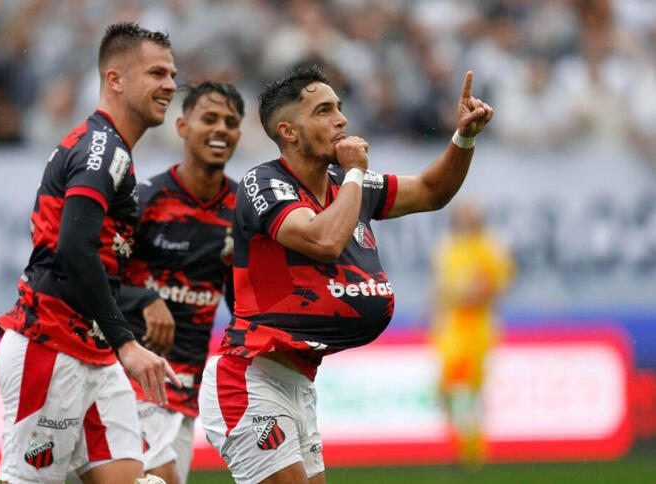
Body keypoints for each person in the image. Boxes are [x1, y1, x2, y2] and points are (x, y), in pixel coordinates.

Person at [198, 65, 494, 484]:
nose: (342, 119)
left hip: (298, 381)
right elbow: (323, 241)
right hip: (249, 378)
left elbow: (431, 191)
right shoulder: (264, 183)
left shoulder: (346, 182)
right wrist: (355, 172)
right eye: (324, 110)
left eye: (339, 107)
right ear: (289, 132)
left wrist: (464, 137)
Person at [0, 23, 181, 484]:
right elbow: (74, 249)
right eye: (156, 73)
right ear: (115, 79)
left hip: (93, 352)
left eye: (173, 75)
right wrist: (127, 343)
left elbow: (97, 260)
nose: (171, 85)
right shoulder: (103, 150)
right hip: (50, 346)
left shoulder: (111, 151)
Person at [117, 81, 245, 484]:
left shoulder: (243, 211)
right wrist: (145, 299)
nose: (221, 129)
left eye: (231, 122)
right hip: (133, 377)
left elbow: (243, 299)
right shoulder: (144, 199)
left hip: (187, 384)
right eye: (209, 119)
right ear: (183, 126)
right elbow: (92, 280)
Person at [430, 202, 515, 470]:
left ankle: (473, 451)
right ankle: (463, 445)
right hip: (451, 323)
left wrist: (479, 293)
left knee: (470, 388)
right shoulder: (448, 247)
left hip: (476, 324)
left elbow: (499, 284)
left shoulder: (489, 247)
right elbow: (440, 286)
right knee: (447, 388)